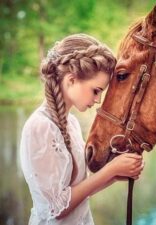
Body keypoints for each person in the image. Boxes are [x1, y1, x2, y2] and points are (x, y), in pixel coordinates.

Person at [20, 33, 144, 225]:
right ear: (71, 80)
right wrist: (109, 170)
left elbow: (78, 192)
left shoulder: (72, 123)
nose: (98, 100)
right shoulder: (40, 127)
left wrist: (117, 174)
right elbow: (56, 208)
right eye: (96, 91)